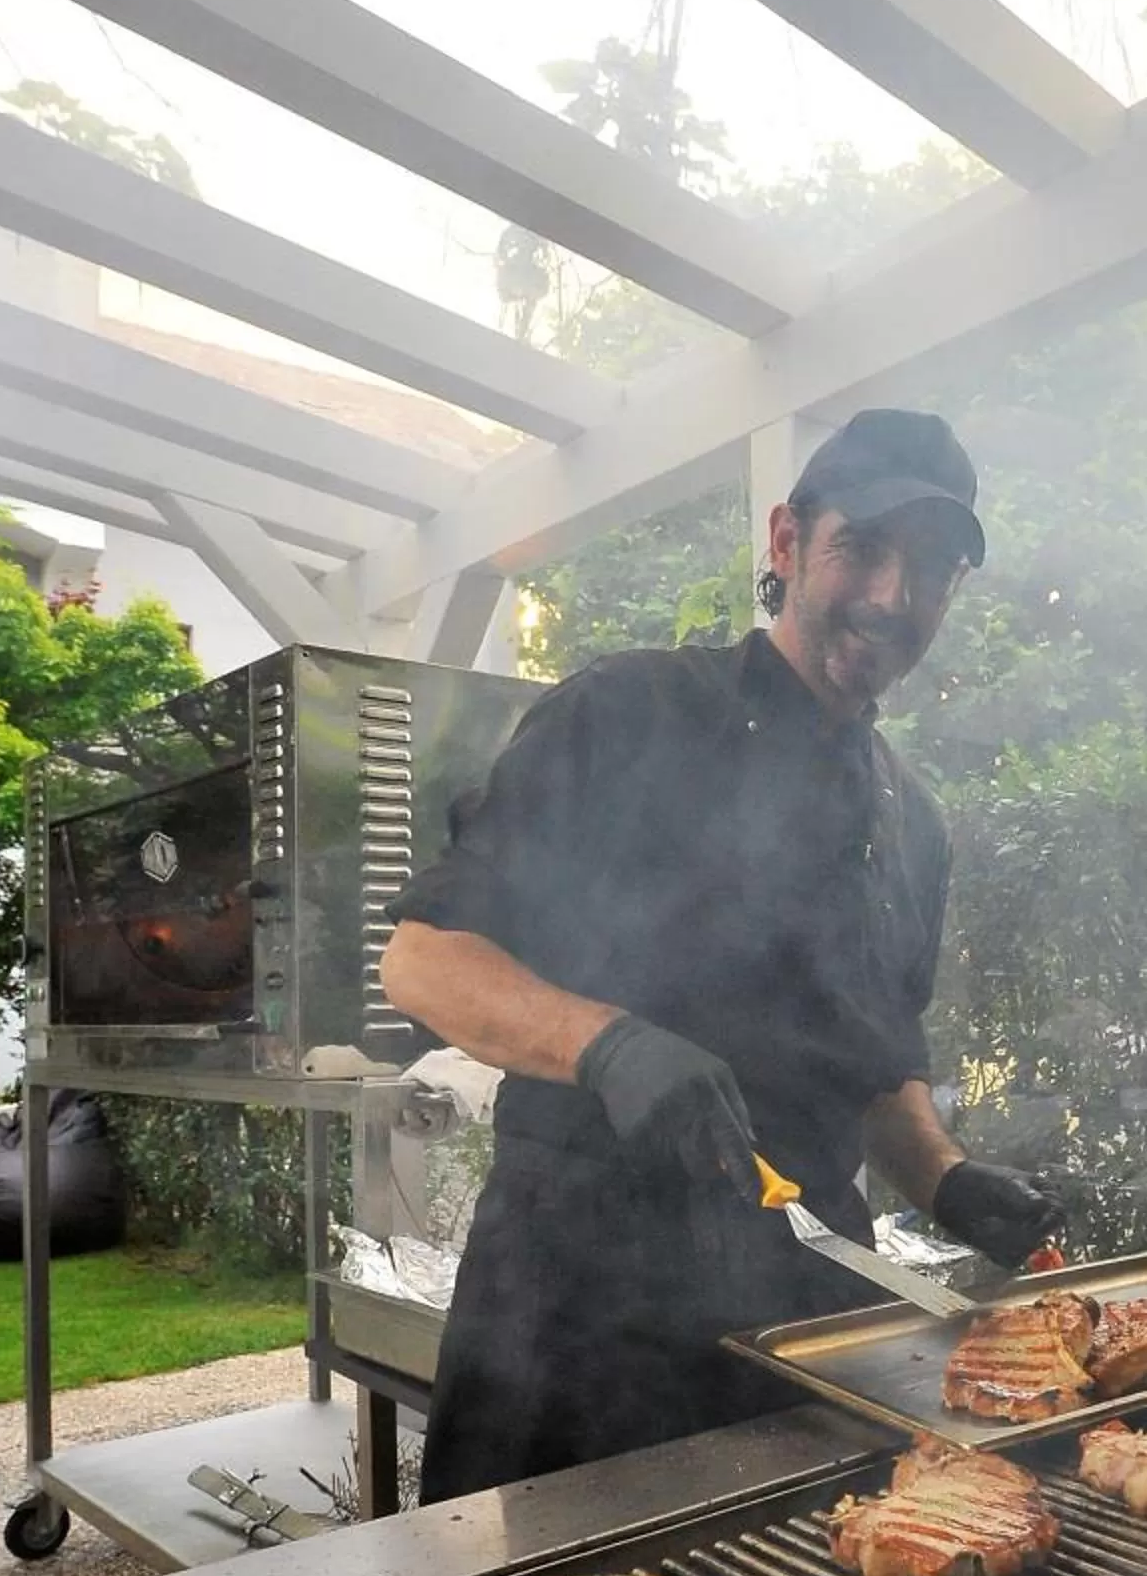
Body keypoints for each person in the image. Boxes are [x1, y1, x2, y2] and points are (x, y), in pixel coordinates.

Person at [382, 406, 1060, 1503]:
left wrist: (945, 1176)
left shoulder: (913, 820)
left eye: (932, 570)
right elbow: (425, 959)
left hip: (804, 1316)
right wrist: (608, 1045)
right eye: (863, 548)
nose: (892, 596)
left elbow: (875, 1067)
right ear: (788, 542)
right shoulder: (629, 712)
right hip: (577, 1311)